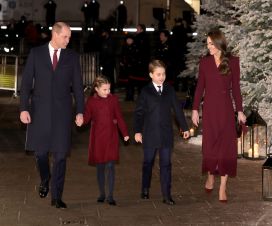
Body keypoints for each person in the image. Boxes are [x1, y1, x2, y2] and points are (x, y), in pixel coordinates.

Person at [19, 22, 84, 209]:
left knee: (61, 156)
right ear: (54, 35)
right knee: (40, 153)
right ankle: (45, 177)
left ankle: (57, 196)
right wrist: (24, 108)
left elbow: (78, 87)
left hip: (63, 113)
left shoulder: (71, 57)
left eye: (69, 37)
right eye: (65, 37)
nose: (68, 40)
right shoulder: (36, 54)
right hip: (39, 112)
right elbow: (25, 85)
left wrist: (80, 111)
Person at [191, 29, 246, 202]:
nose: (209, 47)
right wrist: (194, 109)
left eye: (211, 44)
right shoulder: (205, 62)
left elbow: (236, 88)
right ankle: (210, 176)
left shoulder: (233, 62)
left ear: (219, 43)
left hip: (225, 109)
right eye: (207, 44)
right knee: (210, 146)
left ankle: (223, 187)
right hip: (209, 110)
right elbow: (200, 87)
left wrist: (240, 110)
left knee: (226, 148)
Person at [134, 60, 190, 205]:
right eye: (158, 74)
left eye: (163, 74)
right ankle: (145, 188)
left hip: (166, 134)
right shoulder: (146, 92)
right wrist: (138, 131)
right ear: (151, 75)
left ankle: (167, 195)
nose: (161, 77)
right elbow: (139, 113)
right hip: (150, 134)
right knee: (148, 162)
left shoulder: (169, 90)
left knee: (166, 164)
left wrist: (184, 128)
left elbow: (177, 110)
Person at [78, 76, 129, 206]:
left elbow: (119, 116)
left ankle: (110, 196)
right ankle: (102, 193)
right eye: (105, 89)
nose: (108, 92)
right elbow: (87, 117)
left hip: (111, 137)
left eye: (109, 89)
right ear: (96, 89)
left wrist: (125, 133)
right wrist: (81, 121)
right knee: (100, 167)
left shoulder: (113, 100)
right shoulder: (91, 101)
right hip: (98, 138)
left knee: (111, 166)